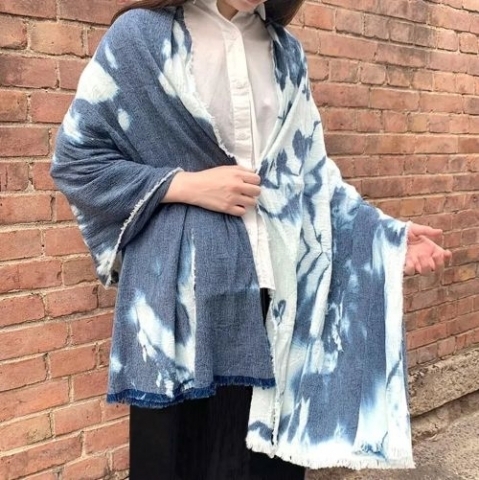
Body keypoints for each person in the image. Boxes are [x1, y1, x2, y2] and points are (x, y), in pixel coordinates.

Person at [51, 0, 452, 478]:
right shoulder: (140, 37)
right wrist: (187, 185)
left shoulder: (285, 54)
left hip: (276, 298)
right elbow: (77, 159)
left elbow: (313, 177)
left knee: (268, 465)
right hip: (182, 305)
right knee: (178, 460)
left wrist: (386, 238)